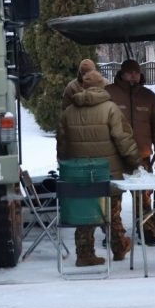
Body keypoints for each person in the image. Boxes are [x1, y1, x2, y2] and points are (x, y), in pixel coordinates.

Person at [57, 69, 143, 266]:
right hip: (108, 172)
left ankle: (85, 254)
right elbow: (123, 139)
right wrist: (135, 162)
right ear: (103, 86)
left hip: (78, 174)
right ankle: (119, 246)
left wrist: (67, 167)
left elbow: (62, 145)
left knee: (85, 211)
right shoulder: (111, 109)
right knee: (111, 211)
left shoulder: (68, 112)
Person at [106, 58, 155, 246]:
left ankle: (147, 232)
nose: (133, 76)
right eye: (130, 72)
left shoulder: (148, 97)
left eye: (136, 72)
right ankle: (114, 235)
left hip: (142, 157)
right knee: (113, 198)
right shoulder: (109, 94)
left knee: (144, 196)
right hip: (115, 157)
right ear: (122, 74)